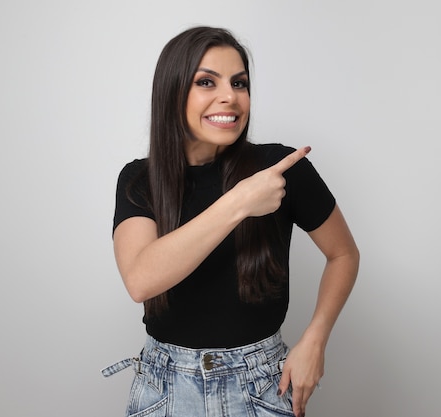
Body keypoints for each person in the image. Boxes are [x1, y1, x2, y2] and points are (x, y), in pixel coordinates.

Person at [102, 26, 359, 417]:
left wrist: (316, 338)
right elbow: (140, 279)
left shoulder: (281, 169)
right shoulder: (140, 180)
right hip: (166, 389)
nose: (230, 97)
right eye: (207, 81)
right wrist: (238, 201)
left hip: (260, 387)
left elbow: (343, 254)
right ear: (172, 93)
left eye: (240, 83)